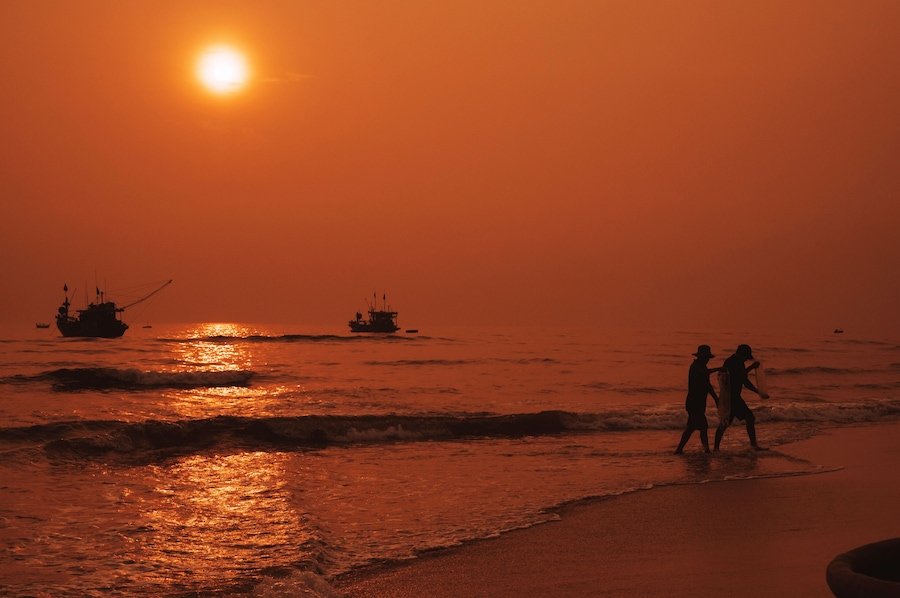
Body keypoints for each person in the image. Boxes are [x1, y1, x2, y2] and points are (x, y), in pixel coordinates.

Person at [714, 344, 769, 451]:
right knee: (744, 419)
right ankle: (753, 445)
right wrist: (751, 367)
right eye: (745, 357)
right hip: (730, 397)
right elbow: (736, 376)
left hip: (734, 397)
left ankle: (716, 448)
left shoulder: (740, 363)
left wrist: (759, 392)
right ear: (740, 354)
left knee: (726, 422)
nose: (745, 360)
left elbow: (745, 381)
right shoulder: (730, 362)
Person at [674, 345, 720, 454]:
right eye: (705, 357)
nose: (707, 360)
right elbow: (702, 374)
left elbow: (708, 385)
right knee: (701, 426)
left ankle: (680, 449)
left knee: (693, 427)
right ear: (700, 357)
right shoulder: (694, 367)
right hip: (693, 402)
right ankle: (705, 450)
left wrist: (715, 398)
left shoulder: (703, 367)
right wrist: (718, 369)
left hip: (700, 402)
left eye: (708, 358)